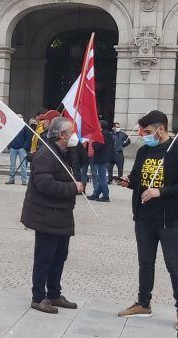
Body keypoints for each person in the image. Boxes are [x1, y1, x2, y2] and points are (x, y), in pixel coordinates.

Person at [116, 110, 178, 331]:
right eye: (142, 132)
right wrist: (128, 182)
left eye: (148, 131)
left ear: (161, 129)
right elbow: (139, 178)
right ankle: (143, 303)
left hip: (170, 220)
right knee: (145, 262)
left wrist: (161, 191)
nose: (144, 135)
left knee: (174, 266)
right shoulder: (143, 152)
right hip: (144, 218)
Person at [22, 116, 85, 314]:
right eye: (71, 133)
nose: (75, 135)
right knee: (45, 257)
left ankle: (54, 294)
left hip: (62, 214)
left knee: (59, 257)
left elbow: (82, 162)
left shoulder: (65, 152)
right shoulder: (46, 155)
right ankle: (39, 297)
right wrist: (72, 188)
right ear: (62, 135)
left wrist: (76, 149)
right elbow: (45, 184)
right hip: (46, 215)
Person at [87, 121, 114, 202]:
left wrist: (92, 143)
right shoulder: (108, 134)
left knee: (102, 178)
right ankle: (96, 194)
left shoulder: (101, 134)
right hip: (105, 158)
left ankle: (106, 195)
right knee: (100, 177)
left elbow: (98, 146)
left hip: (101, 158)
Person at [7, 120, 33, 185]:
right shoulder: (12, 127)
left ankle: (24, 180)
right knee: (12, 165)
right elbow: (9, 136)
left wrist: (24, 147)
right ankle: (11, 179)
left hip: (21, 148)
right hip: (13, 147)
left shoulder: (25, 127)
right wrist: (10, 145)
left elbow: (28, 138)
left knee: (23, 165)